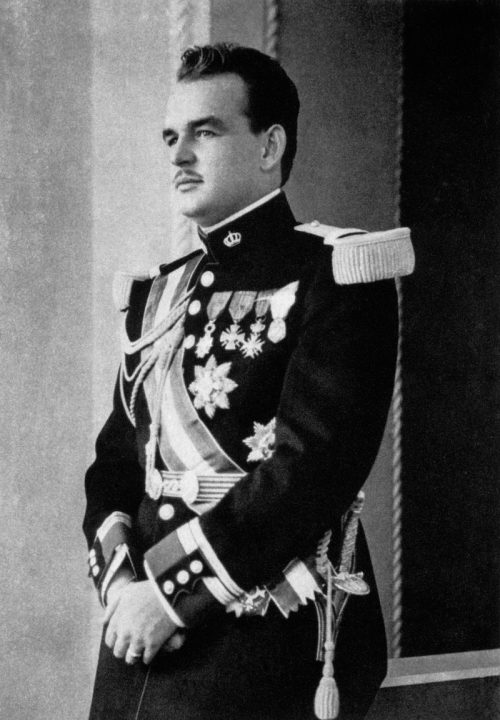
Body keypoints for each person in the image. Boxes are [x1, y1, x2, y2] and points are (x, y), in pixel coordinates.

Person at [83, 43, 414, 720]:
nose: (179, 156)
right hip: (137, 634)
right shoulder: (158, 295)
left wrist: (173, 595)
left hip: (262, 634)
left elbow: (313, 467)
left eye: (204, 132)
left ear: (270, 146)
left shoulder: (336, 275)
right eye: (171, 137)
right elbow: (114, 469)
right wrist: (123, 590)